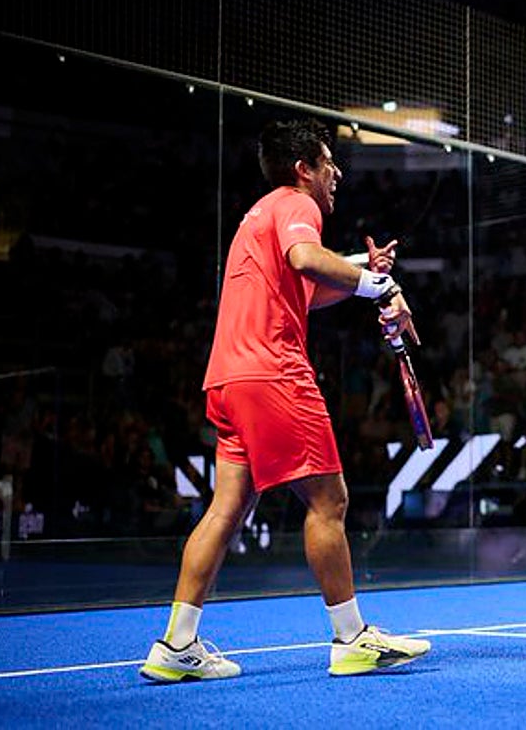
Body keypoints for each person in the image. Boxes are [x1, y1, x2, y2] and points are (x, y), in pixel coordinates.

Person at [140, 118, 430, 682]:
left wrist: (359, 271)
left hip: (227, 379)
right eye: (328, 162)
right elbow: (305, 260)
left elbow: (306, 284)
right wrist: (381, 287)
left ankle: (176, 646)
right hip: (274, 373)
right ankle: (351, 639)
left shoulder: (262, 213)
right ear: (304, 170)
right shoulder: (299, 205)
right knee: (329, 501)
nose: (336, 172)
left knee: (227, 510)